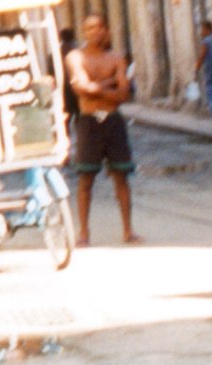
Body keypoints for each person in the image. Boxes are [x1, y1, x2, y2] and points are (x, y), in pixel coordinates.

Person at [66, 14, 139, 247]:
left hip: (113, 121)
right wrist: (108, 85)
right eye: (88, 28)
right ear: (83, 32)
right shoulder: (75, 57)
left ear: (106, 31)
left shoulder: (116, 58)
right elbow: (81, 90)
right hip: (89, 121)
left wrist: (94, 88)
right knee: (85, 178)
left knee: (121, 177)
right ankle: (84, 232)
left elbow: (123, 94)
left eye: (98, 28)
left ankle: (128, 230)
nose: (93, 32)